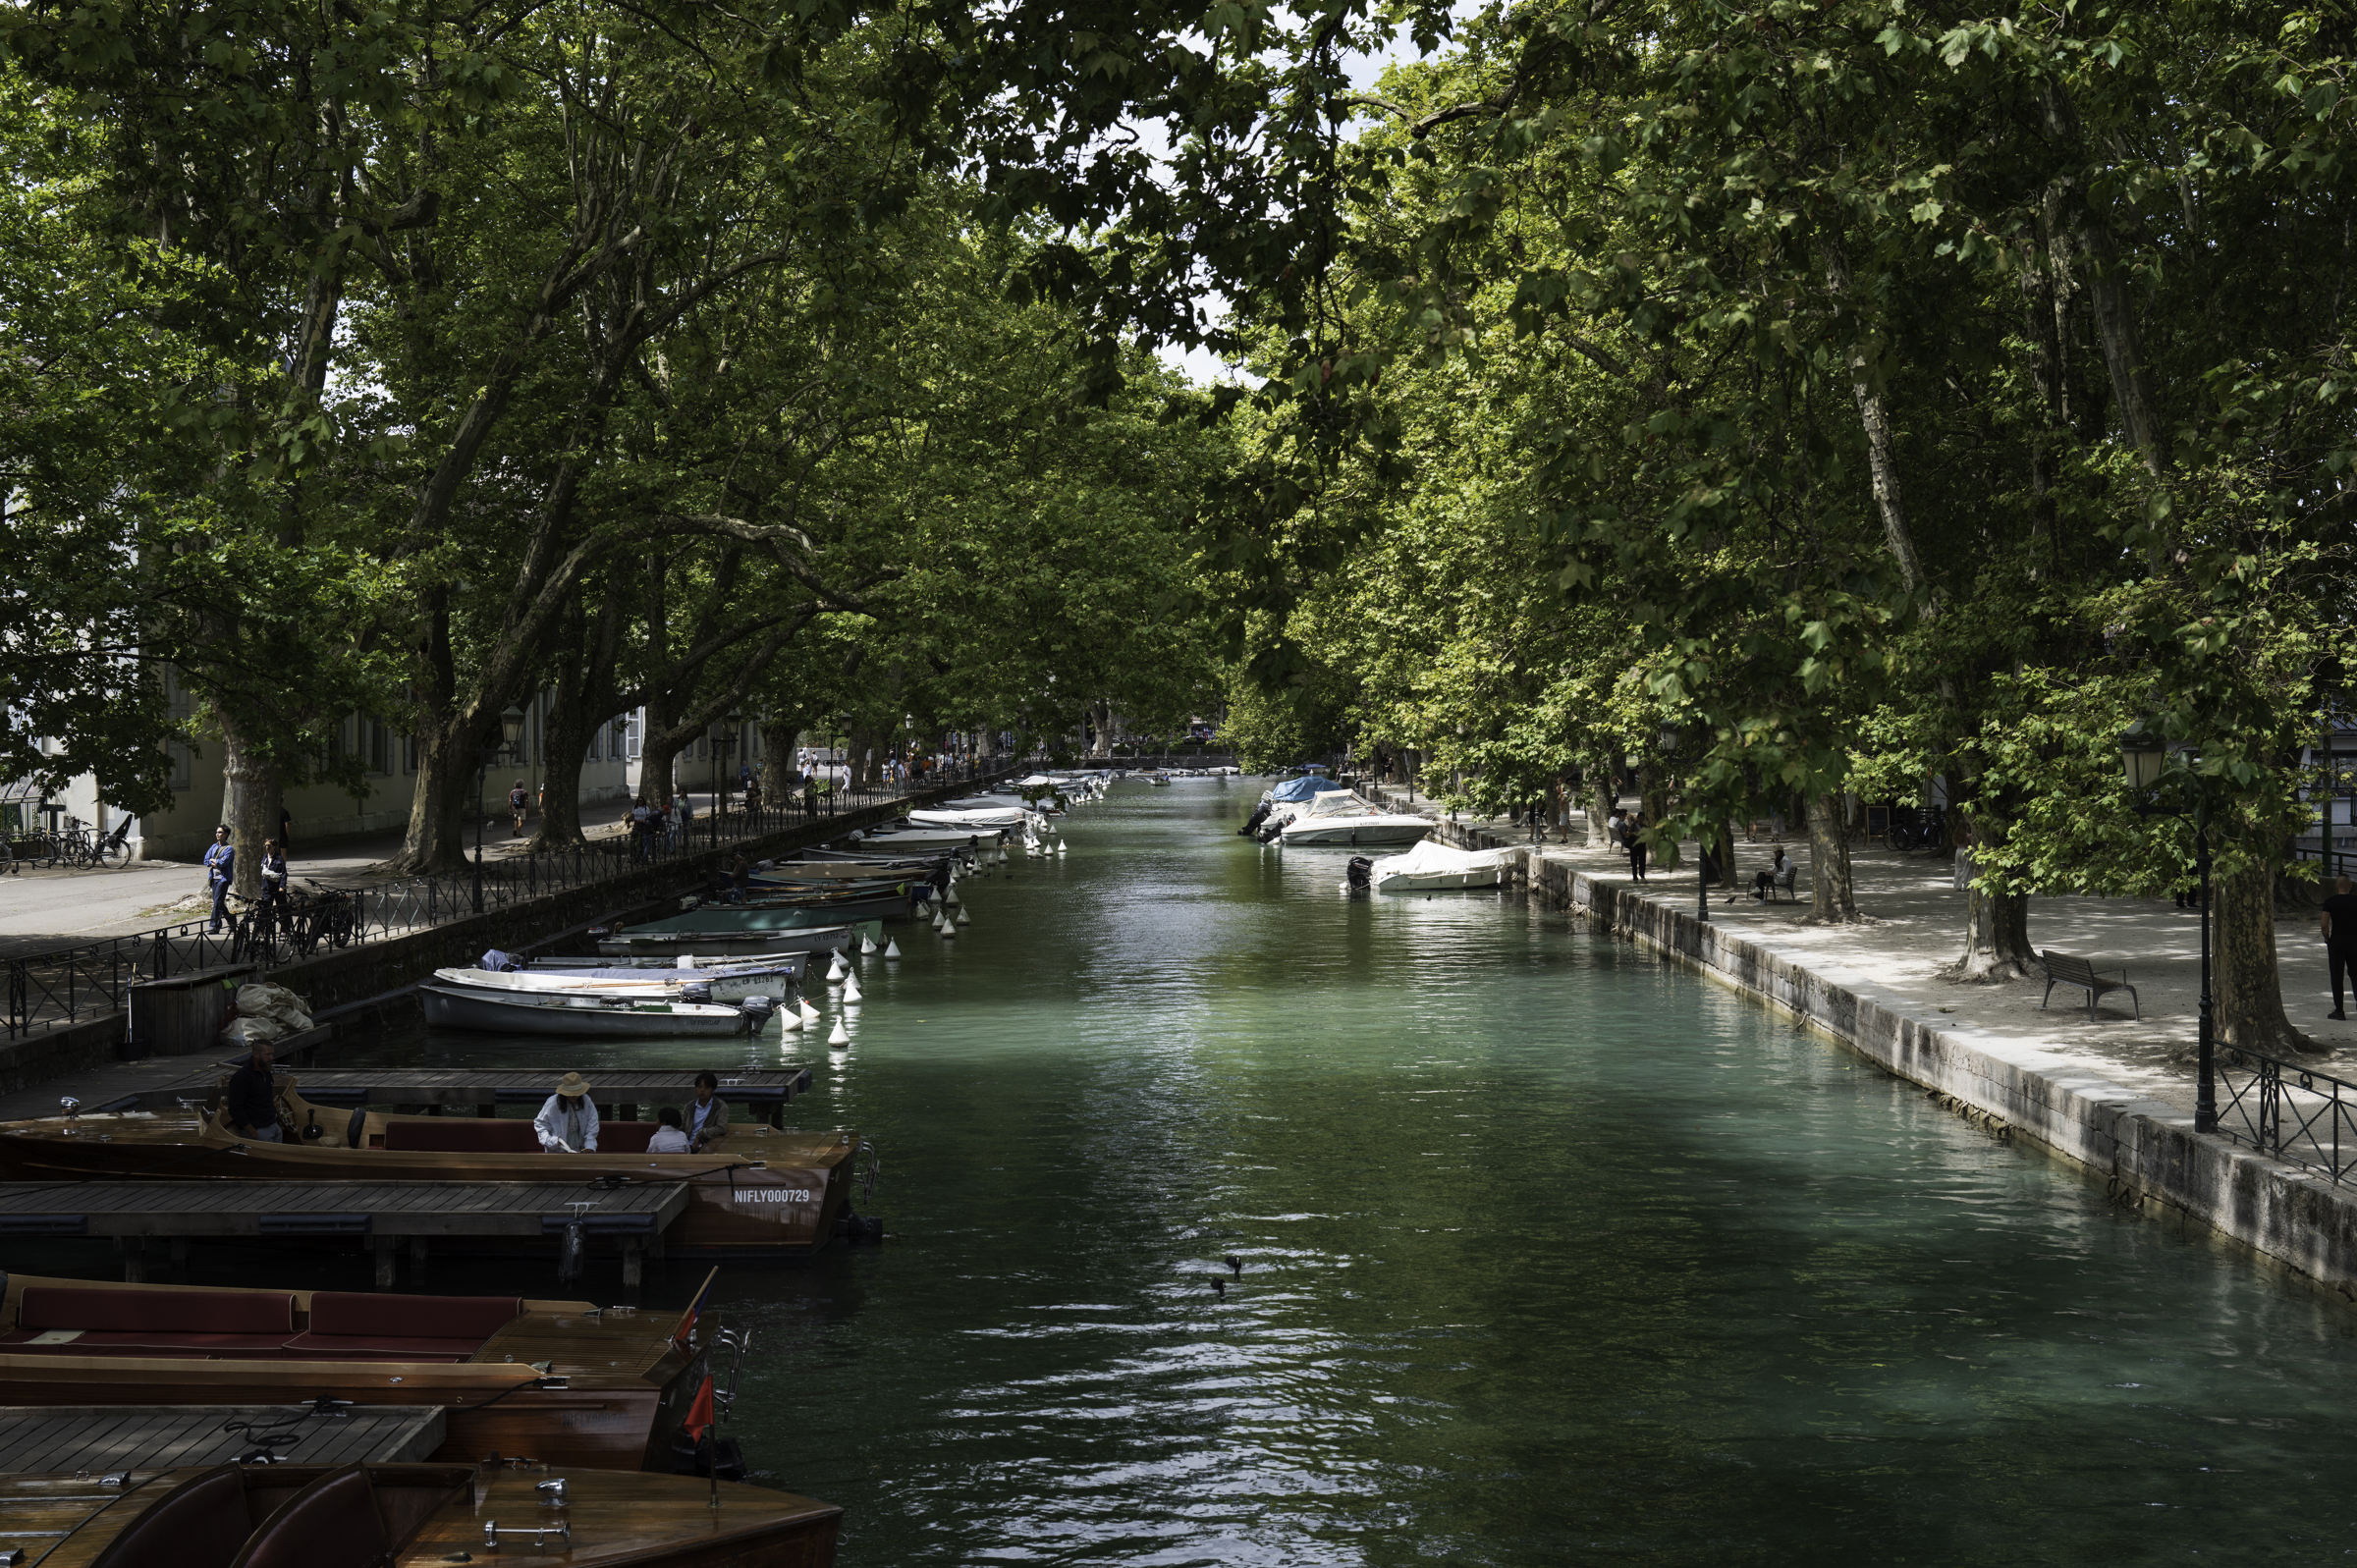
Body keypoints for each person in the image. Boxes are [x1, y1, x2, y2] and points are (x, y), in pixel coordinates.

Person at [224, 1037, 283, 1141]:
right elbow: (234, 1108)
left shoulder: (266, 1072)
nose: (271, 1058)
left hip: (273, 1125)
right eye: (268, 1054)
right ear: (256, 1054)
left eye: (272, 1054)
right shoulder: (242, 1077)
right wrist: (252, 1131)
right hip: (258, 1129)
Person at [534, 1072, 600, 1152]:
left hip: (581, 1149)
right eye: (571, 1093)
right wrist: (553, 1141)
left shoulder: (586, 1101)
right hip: (558, 1151)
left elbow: (592, 1124)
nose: (574, 1096)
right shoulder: (552, 1103)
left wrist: (589, 1146)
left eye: (576, 1093)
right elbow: (540, 1124)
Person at [2322, 876, 2357, 1021]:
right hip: (2355, 940)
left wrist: (2327, 937)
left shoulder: (2330, 902)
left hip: (2336, 941)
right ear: (2350, 885)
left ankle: (2339, 1010)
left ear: (2336, 886)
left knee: (2336, 976)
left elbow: (2324, 924)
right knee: (2356, 975)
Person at [685, 1071, 730, 1151]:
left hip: (707, 1146)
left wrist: (701, 1134)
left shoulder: (720, 1106)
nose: (702, 1090)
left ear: (713, 1090)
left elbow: (721, 1128)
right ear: (695, 1088)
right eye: (699, 1087)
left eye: (706, 1088)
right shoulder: (689, 1106)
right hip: (687, 1145)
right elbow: (680, 1126)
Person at [202, 826, 236, 933]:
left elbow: (224, 863)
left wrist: (215, 862)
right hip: (213, 878)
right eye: (217, 832)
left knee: (217, 903)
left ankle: (214, 926)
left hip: (223, 879)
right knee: (219, 902)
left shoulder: (229, 849)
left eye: (220, 832)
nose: (218, 834)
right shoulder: (213, 847)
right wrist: (215, 862)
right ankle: (231, 920)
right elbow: (206, 860)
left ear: (226, 834)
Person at [256, 838, 290, 919]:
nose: (267, 847)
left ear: (274, 846)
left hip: (277, 887)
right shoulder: (264, 858)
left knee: (282, 909)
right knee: (265, 909)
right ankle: (262, 929)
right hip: (267, 887)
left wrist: (282, 887)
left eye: (269, 846)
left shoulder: (279, 858)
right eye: (266, 846)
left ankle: (285, 929)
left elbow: (283, 873)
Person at [1619, 810, 1648, 882]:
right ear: (1637, 818)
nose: (1641, 820)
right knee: (1634, 862)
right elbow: (1628, 834)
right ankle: (1635, 876)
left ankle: (1642, 876)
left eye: (1643, 819)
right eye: (1640, 818)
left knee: (1642, 861)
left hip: (1642, 845)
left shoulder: (1645, 826)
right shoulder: (1634, 825)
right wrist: (1636, 833)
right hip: (1634, 845)